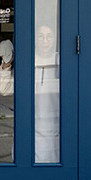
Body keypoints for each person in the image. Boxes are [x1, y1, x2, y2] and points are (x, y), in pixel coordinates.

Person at [34, 23, 60, 163]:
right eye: (41, 36)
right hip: (32, 126)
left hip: (55, 125)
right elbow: (5, 90)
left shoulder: (60, 61)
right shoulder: (27, 61)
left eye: (49, 37)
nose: (45, 41)